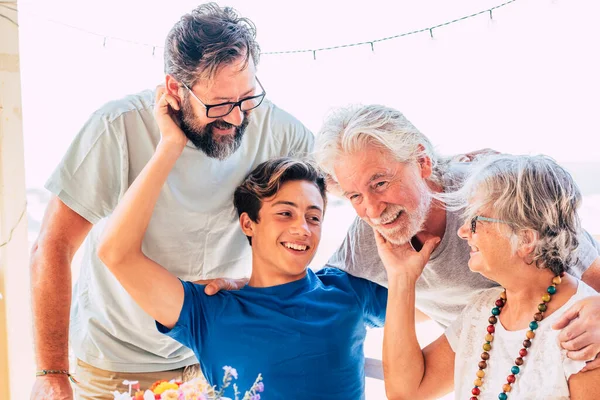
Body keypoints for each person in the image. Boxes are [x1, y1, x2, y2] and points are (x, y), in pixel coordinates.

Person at [30, 4, 313, 399]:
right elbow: (54, 245)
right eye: (218, 105)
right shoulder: (117, 127)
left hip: (215, 352)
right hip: (116, 360)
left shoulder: (281, 132)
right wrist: (51, 370)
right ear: (175, 88)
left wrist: (252, 284)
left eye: (247, 98)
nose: (234, 119)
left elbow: (307, 231)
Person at [97, 94, 388, 398]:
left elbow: (432, 306)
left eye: (313, 217)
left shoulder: (348, 291)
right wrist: (170, 145)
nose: (302, 229)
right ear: (249, 224)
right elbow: (116, 253)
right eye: (285, 213)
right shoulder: (209, 310)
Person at [314, 104, 600, 370]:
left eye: (380, 183)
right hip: (494, 370)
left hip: (574, 357)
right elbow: (314, 302)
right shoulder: (367, 237)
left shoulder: (488, 196)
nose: (373, 210)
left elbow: (592, 271)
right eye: (354, 195)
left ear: (422, 162)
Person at [377, 154, 600, 399]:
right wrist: (401, 278)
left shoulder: (585, 330)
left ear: (525, 238)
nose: (462, 232)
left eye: (475, 222)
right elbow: (405, 391)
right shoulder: (483, 310)